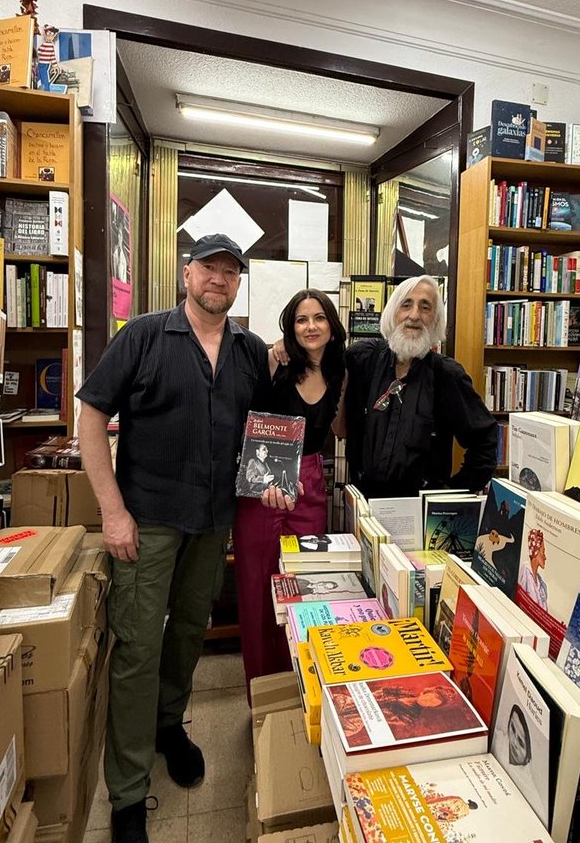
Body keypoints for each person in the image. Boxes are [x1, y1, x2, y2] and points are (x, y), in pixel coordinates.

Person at [76, 233, 271, 843]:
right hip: (147, 520)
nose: (219, 278)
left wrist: (272, 479)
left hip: (213, 519)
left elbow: (270, 428)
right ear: (187, 272)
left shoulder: (247, 351)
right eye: (209, 267)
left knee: (189, 631)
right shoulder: (144, 337)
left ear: (238, 283)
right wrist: (112, 512)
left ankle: (168, 726)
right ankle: (128, 800)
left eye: (231, 270)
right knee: (136, 645)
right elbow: (92, 416)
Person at [234, 288, 346, 695]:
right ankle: (263, 690)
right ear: (290, 327)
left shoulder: (339, 372)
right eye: (301, 319)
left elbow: (341, 428)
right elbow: (247, 418)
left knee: (305, 585)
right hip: (262, 482)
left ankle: (303, 687)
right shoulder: (274, 362)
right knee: (257, 585)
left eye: (319, 318)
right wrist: (271, 351)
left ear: (332, 327)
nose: (310, 326)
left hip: (311, 481)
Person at [342, 275, 497, 498]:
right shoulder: (363, 359)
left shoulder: (447, 375)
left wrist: (453, 495)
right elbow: (321, 363)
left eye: (425, 307)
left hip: (421, 515)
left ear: (435, 320)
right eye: (406, 304)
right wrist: (284, 346)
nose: (414, 315)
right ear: (393, 312)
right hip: (364, 508)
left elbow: (485, 440)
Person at [517, 528, 548, 610]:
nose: (545, 557)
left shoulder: (542, 585)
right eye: (543, 552)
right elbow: (518, 600)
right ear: (536, 551)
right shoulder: (525, 570)